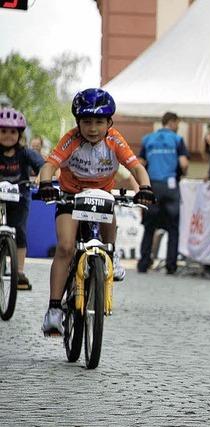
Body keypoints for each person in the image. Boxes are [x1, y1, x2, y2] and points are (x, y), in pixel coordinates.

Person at [38, 88, 154, 335]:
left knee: (109, 204)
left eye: (99, 122)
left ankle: (110, 255)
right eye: (87, 122)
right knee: (66, 247)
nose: (93, 128)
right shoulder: (71, 139)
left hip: (101, 197)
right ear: (78, 122)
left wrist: (145, 188)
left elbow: (136, 167)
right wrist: (46, 184)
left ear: (109, 122)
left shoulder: (114, 140)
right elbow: (49, 166)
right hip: (70, 197)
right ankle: (54, 310)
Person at [137, 111, 189, 275]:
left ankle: (144, 264)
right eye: (177, 124)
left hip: (152, 186)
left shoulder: (147, 139)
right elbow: (184, 163)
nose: (178, 127)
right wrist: (180, 174)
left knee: (149, 226)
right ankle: (171, 265)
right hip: (170, 186)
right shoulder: (177, 139)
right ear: (172, 122)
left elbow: (140, 164)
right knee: (173, 228)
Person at [0, 108, 44, 290]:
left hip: (20, 198)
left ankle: (19, 272)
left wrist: (42, 178)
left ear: (19, 134)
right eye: (3, 131)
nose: (8, 136)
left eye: (12, 132)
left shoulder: (25, 153)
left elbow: (44, 166)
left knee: (20, 231)